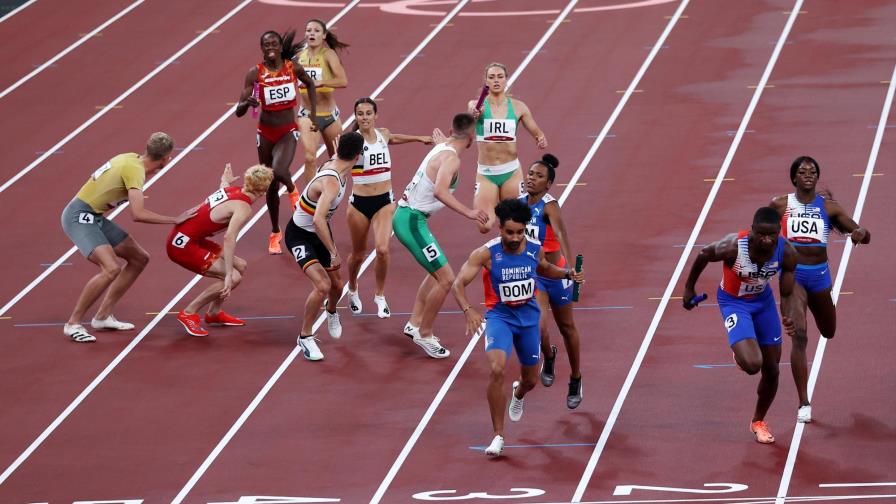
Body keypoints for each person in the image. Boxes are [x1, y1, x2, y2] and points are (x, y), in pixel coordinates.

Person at [452, 198, 584, 457]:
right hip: (500, 318)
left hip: (528, 320)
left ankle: (519, 392)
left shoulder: (534, 249)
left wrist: (567, 274)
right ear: (500, 229)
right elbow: (458, 284)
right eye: (509, 232)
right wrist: (468, 310)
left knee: (530, 380)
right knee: (497, 368)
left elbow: (545, 269)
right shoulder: (486, 254)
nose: (515, 237)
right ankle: (498, 436)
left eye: (520, 232)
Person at [60, 132, 195, 342]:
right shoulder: (135, 172)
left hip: (93, 215)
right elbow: (138, 214)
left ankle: (103, 317)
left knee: (139, 258)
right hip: (79, 216)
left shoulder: (131, 158)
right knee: (111, 268)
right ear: (167, 158)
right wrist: (175, 219)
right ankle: (73, 324)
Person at [682, 207, 798, 444]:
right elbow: (704, 254)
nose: (766, 240)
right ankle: (741, 353)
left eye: (772, 235)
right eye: (761, 234)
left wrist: (787, 315)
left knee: (773, 369)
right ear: (752, 230)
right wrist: (688, 289)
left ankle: (758, 421)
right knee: (753, 365)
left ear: (779, 233)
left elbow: (786, 292)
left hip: (763, 303)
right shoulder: (733, 247)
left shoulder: (786, 252)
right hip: (734, 303)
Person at [769, 156, 871, 423]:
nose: (808, 175)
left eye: (813, 171)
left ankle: (822, 307)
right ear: (794, 178)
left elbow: (861, 231)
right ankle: (804, 403)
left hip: (820, 278)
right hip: (793, 277)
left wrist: (860, 233)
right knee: (799, 337)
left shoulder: (829, 208)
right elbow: (761, 234)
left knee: (829, 331)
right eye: (802, 171)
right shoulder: (780, 205)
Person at [393, 113, 488, 359]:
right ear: (471, 138)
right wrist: (469, 212)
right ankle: (425, 334)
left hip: (409, 217)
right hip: (412, 221)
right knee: (446, 279)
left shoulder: (444, 146)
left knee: (436, 272)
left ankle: (414, 324)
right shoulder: (451, 159)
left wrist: (446, 141)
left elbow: (446, 145)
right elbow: (440, 191)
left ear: (450, 131)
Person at [345, 97, 442, 318]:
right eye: (360, 114)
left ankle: (379, 296)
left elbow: (394, 138)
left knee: (382, 249)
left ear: (375, 115)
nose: (365, 117)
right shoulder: (352, 140)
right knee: (358, 254)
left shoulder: (383, 134)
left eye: (369, 113)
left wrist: (419, 138)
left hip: (384, 202)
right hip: (359, 204)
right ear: (356, 117)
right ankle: (352, 288)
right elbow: (340, 162)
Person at [235, 29, 318, 255]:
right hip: (265, 133)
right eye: (266, 45)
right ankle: (275, 233)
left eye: (274, 44)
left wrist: (314, 114)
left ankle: (292, 189)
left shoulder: (293, 68)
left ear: (281, 47)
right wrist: (247, 103)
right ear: (262, 49)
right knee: (271, 185)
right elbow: (238, 111)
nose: (270, 48)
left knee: (279, 170)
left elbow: (310, 85)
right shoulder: (255, 73)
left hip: (287, 131)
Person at [169, 164, 274, 337]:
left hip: (189, 238)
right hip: (183, 246)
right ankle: (189, 312)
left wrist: (224, 179)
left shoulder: (234, 189)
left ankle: (214, 313)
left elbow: (223, 189)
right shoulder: (243, 208)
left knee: (240, 265)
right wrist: (227, 275)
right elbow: (229, 237)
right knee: (234, 277)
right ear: (263, 191)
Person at [286, 131, 364, 361]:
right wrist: (333, 251)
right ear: (358, 155)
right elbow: (319, 220)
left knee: (337, 286)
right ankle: (305, 336)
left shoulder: (339, 163)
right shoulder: (331, 181)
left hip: (318, 232)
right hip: (300, 235)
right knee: (322, 285)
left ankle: (331, 311)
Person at [520, 154, 584, 409]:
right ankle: (549, 354)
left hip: (558, 275)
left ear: (548, 184)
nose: (531, 178)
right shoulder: (518, 203)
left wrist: (570, 266)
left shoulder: (549, 205)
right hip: (536, 276)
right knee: (540, 328)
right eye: (530, 173)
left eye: (538, 176)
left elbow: (561, 233)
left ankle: (576, 378)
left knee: (567, 328)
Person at [468, 62, 547, 233]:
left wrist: (540, 138)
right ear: (485, 81)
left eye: (500, 77)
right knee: (484, 226)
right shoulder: (476, 105)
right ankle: (493, 202)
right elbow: (468, 125)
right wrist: (474, 116)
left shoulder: (519, 107)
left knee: (514, 224)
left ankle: (508, 255)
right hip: (487, 174)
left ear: (506, 80)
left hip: (511, 172)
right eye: (491, 77)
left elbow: (536, 131)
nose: (496, 80)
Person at [296, 18, 349, 182]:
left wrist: (321, 82)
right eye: (309, 30)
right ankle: (308, 203)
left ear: (324, 35)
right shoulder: (299, 57)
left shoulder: (328, 55)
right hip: (307, 115)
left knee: (338, 160)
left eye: (316, 31)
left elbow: (343, 81)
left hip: (330, 116)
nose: (312, 33)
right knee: (310, 157)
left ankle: (333, 196)